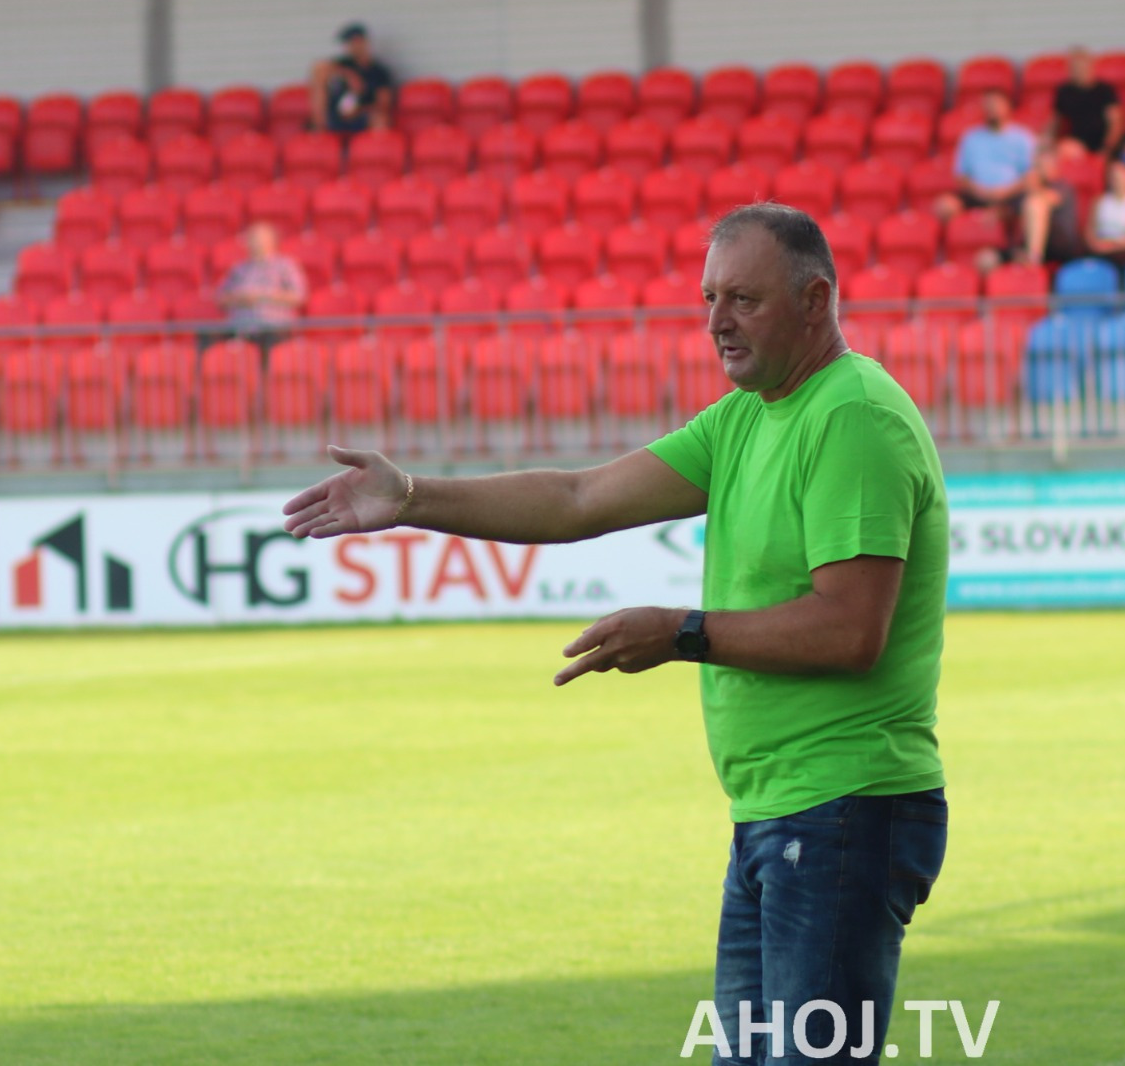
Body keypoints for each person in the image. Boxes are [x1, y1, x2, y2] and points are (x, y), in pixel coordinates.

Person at [280, 203, 949, 1066]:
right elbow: (579, 499)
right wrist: (410, 497)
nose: (716, 322)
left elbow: (851, 629)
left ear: (816, 300)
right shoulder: (747, 418)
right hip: (779, 812)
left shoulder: (852, 416)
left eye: (743, 299)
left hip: (843, 811)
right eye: (709, 298)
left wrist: (681, 633)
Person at [1049, 46, 1125, 160]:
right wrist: (1046, 141)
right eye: (1074, 67)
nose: (1078, 71)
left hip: (1107, 141)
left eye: (1082, 67)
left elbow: (1116, 122)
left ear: (1090, 67)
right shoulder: (1065, 92)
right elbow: (1055, 121)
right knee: (1064, 149)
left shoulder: (1104, 90)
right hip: (1081, 142)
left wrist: (1107, 148)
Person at [935, 90, 1036, 223]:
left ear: (1007, 107)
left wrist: (1005, 192)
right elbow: (961, 176)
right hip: (977, 194)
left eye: (995, 105)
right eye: (988, 105)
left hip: (1011, 196)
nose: (991, 109)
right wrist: (980, 191)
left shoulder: (1023, 137)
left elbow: (1031, 175)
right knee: (945, 205)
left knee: (1031, 203)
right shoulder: (971, 137)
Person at [210, 221, 307, 354]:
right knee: (208, 339)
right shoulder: (239, 269)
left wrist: (262, 296)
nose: (251, 242)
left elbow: (298, 297)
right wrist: (240, 298)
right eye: (250, 238)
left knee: (269, 344)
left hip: (273, 328)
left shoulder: (286, 266)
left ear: (271, 241)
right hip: (239, 327)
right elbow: (221, 299)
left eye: (256, 238)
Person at [309, 22, 394, 134]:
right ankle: (319, 134)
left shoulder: (379, 72)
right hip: (335, 116)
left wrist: (359, 109)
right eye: (348, 43)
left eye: (353, 42)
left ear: (363, 42)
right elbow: (318, 67)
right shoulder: (343, 64)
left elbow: (384, 103)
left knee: (380, 120)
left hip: (360, 115)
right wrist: (349, 75)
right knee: (320, 81)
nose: (350, 46)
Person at [1083, 158, 1125, 276]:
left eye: (1121, 175)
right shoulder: (1098, 202)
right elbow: (1090, 236)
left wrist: (1109, 246)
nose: (1117, 179)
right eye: (1113, 175)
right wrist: (1102, 247)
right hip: (1100, 255)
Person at [1019, 147, 1084, 266]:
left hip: (1060, 243)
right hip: (1029, 244)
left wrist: (1032, 185)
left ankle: (1033, 261)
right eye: (1037, 165)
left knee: (1034, 203)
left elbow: (1047, 199)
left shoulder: (1062, 185)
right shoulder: (1033, 188)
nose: (1038, 169)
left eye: (1041, 165)